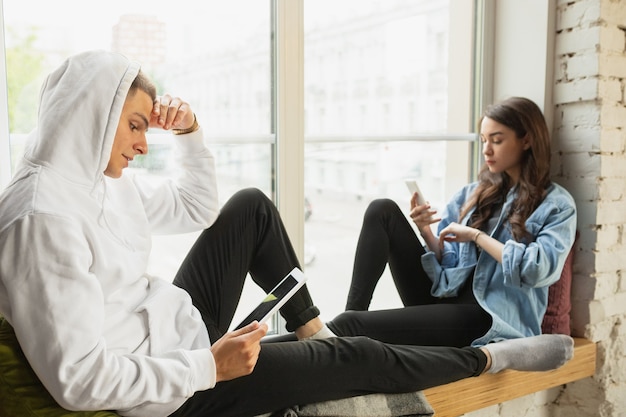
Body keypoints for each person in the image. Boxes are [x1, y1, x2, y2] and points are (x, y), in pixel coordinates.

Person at [0, 51, 574, 417]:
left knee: (250, 207)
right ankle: (492, 361)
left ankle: (312, 333)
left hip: (168, 331)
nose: (142, 143)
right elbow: (79, 381)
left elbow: (199, 208)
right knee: (358, 353)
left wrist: (192, 133)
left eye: (145, 127)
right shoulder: (41, 219)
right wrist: (209, 367)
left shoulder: (97, 179)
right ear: (90, 115)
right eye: (133, 125)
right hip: (168, 393)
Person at [329, 96, 577, 349]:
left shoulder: (556, 205)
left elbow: (537, 269)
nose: (486, 150)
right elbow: (448, 267)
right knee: (382, 209)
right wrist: (426, 232)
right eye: (483, 141)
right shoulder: (470, 194)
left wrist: (476, 236)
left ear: (526, 140)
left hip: (487, 317)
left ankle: (336, 341)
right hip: (444, 299)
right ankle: (350, 318)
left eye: (497, 140)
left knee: (352, 325)